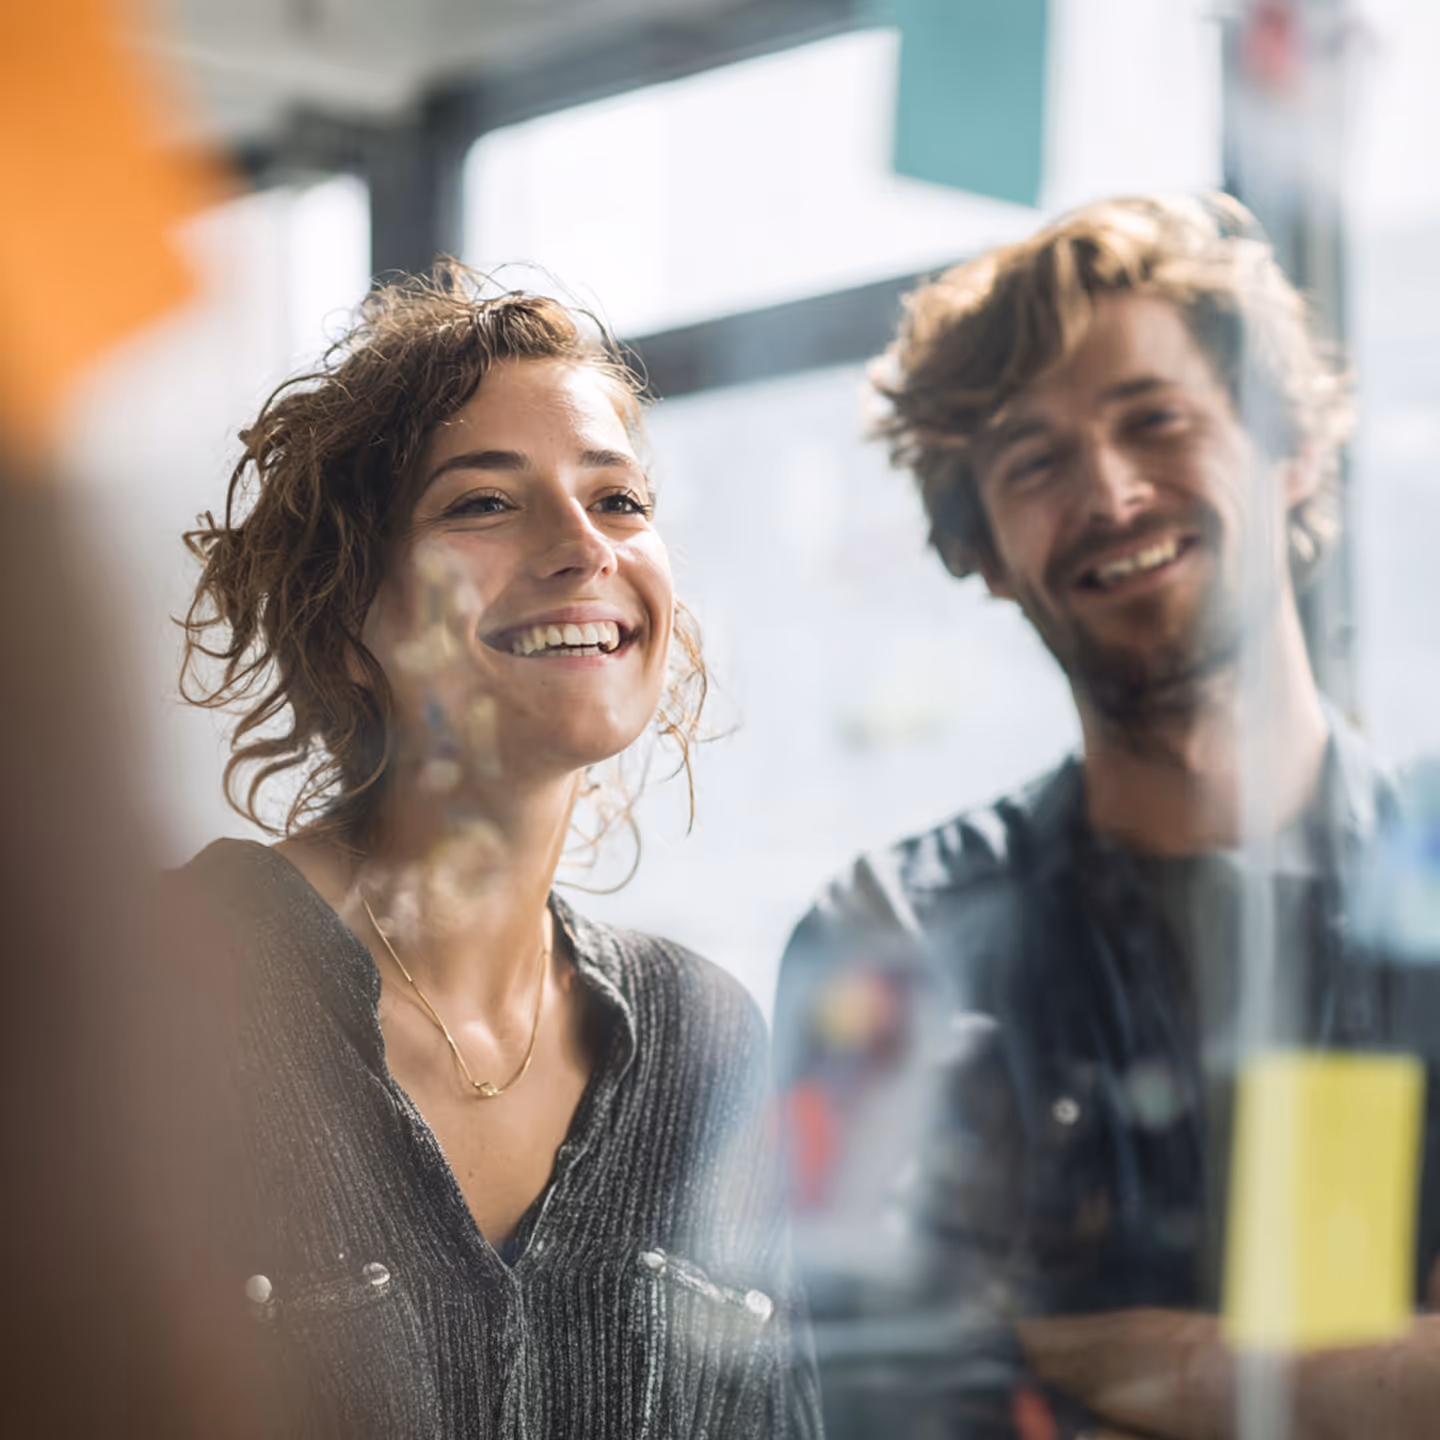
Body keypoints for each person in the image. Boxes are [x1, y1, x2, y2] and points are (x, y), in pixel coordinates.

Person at [773, 195, 1440, 1439]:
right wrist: (1366, 1379)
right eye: (1036, 461)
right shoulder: (889, 938)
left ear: (1292, 448)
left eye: (1158, 420)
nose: (1113, 491)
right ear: (980, 547)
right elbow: (885, 1402)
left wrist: (1187, 1378)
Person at [176, 264, 822, 1438]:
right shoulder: (160, 990)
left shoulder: (707, 1042)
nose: (586, 548)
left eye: (618, 500)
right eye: (482, 503)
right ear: (349, 610)